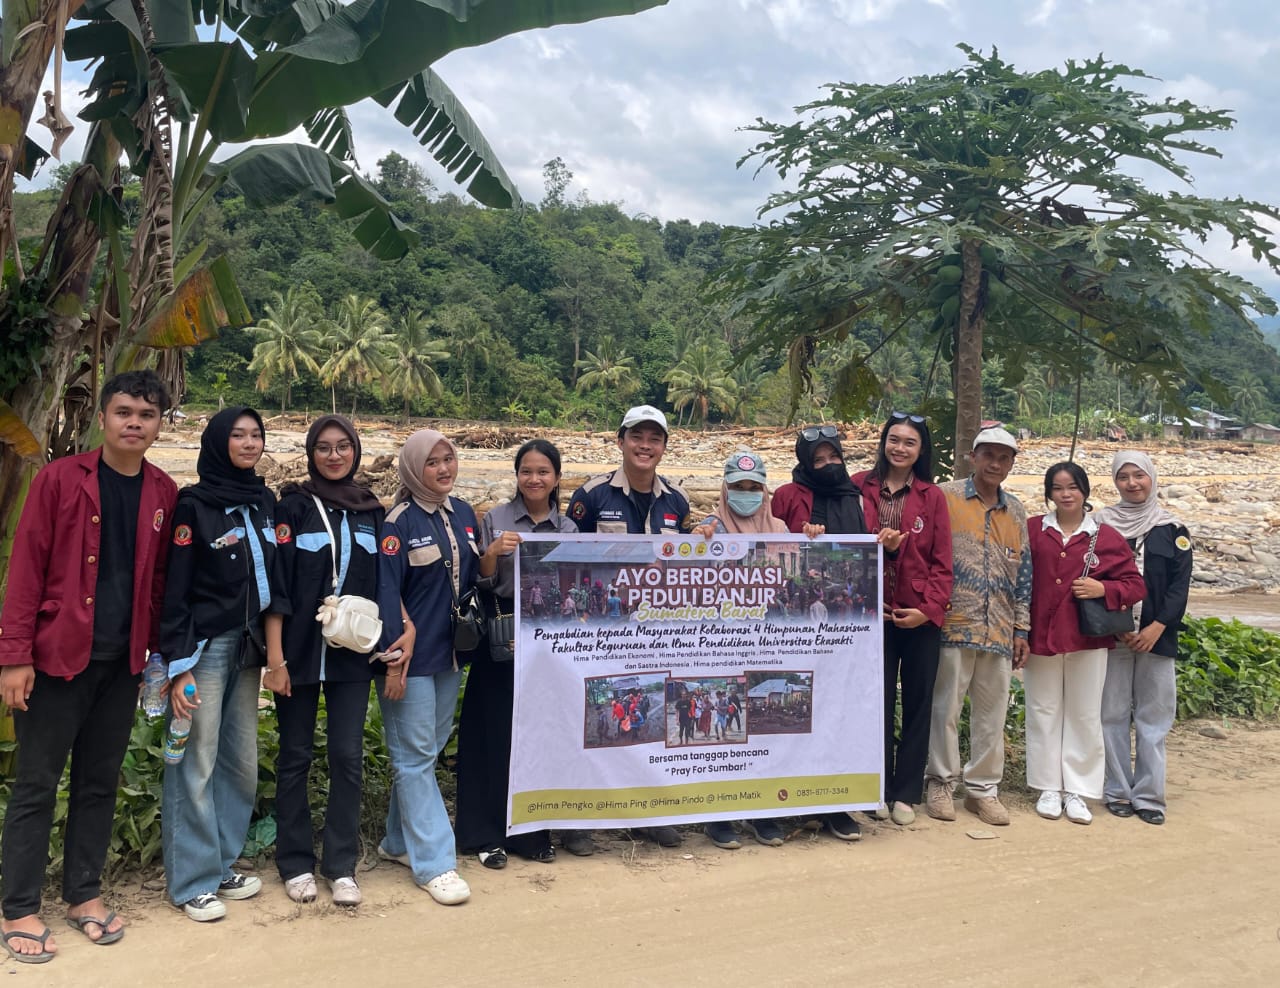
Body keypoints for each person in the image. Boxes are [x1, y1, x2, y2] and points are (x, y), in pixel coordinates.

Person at [0, 372, 177, 962]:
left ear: (158, 425)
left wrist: (157, 659)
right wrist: (15, 657)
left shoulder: (162, 490)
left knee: (99, 784)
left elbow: (156, 583)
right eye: (124, 411)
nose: (134, 422)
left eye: (147, 415)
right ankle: (19, 906)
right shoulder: (58, 480)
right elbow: (24, 571)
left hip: (122, 664)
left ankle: (82, 895)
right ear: (103, 417)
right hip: (56, 660)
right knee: (36, 785)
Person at [265, 415, 413, 907]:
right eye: (324, 448)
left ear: (356, 451)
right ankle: (294, 861)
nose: (334, 455)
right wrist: (276, 657)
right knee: (296, 756)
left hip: (355, 655)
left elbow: (386, 585)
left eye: (343, 447)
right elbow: (279, 585)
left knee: (347, 756)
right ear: (311, 453)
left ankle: (341, 863)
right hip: (301, 654)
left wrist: (395, 646)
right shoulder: (293, 507)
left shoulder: (372, 510)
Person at [161, 406, 282, 922]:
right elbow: (175, 589)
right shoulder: (194, 505)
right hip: (204, 649)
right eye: (239, 435)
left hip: (250, 647)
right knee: (194, 759)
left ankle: (220, 862)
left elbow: (275, 579)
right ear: (217, 442)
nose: (250, 443)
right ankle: (190, 881)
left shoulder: (263, 501)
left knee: (238, 760)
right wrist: (178, 665)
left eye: (257, 435)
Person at [770, 425, 904, 844]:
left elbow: (867, 551)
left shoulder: (857, 497)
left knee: (839, 709)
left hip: (847, 633)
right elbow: (773, 547)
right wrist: (800, 537)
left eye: (835, 457)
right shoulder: (787, 496)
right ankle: (790, 802)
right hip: (795, 629)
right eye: (819, 459)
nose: (829, 466)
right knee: (799, 710)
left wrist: (886, 543)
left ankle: (836, 805)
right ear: (805, 461)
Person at [454, 439, 583, 867]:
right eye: (526, 471)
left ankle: (530, 832)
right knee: (492, 733)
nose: (534, 479)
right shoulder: (496, 518)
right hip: (502, 637)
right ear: (517, 476)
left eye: (543, 472)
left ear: (557, 479)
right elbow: (483, 582)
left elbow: (578, 583)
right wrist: (491, 554)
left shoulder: (568, 530)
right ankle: (484, 833)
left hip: (550, 642)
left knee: (539, 735)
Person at [568, 405, 690, 848]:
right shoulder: (592, 495)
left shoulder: (677, 502)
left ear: (663, 448)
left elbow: (683, 562)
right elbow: (565, 550)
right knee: (587, 720)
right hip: (599, 632)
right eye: (636, 437)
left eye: (654, 439)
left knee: (646, 729)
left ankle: (647, 813)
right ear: (620, 442)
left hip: (654, 633)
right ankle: (578, 820)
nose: (645, 446)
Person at [373, 429, 480, 905]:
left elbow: (473, 579)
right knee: (414, 757)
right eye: (433, 462)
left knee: (426, 753)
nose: (443, 469)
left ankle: (398, 842)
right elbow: (387, 593)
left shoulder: (465, 516)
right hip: (411, 661)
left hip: (449, 654)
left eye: (448, 460)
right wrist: (393, 664)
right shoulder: (396, 522)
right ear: (414, 468)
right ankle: (436, 864)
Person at [1025, 462, 1145, 826]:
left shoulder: (1105, 537)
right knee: (1043, 710)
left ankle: (1077, 789)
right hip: (1040, 636)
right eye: (1058, 487)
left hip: (1087, 638)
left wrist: (1104, 589)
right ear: (1049, 492)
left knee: (1084, 712)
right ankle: (1048, 785)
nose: (1066, 494)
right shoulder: (1033, 530)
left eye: (1073, 487)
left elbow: (1135, 585)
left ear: (1085, 491)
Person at [925, 427, 1031, 827]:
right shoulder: (946, 498)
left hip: (1001, 629)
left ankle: (983, 790)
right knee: (946, 708)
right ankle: (940, 782)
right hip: (954, 622)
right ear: (973, 456)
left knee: (991, 714)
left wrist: (1022, 628)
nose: (995, 464)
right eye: (988, 455)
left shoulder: (1016, 511)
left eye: (1004, 458)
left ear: (1011, 464)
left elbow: (1025, 575)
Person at [852, 412, 954, 827]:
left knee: (917, 702)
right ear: (883, 442)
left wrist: (927, 610)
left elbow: (942, 563)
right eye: (894, 439)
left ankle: (906, 793)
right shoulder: (859, 486)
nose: (900, 448)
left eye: (910, 442)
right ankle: (875, 786)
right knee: (874, 702)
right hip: (869, 615)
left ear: (921, 450)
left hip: (917, 618)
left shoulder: (932, 498)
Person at [1096, 452, 1192, 826]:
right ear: (1115, 482)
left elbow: (1178, 588)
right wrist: (1119, 624)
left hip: (1158, 636)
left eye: (1139, 476)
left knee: (1154, 718)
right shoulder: (1102, 525)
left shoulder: (1172, 528)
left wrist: (1157, 627)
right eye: (1124, 477)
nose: (1132, 483)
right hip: (1114, 635)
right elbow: (1095, 579)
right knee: (1112, 714)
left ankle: (1150, 796)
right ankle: (1117, 790)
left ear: (1152, 478)